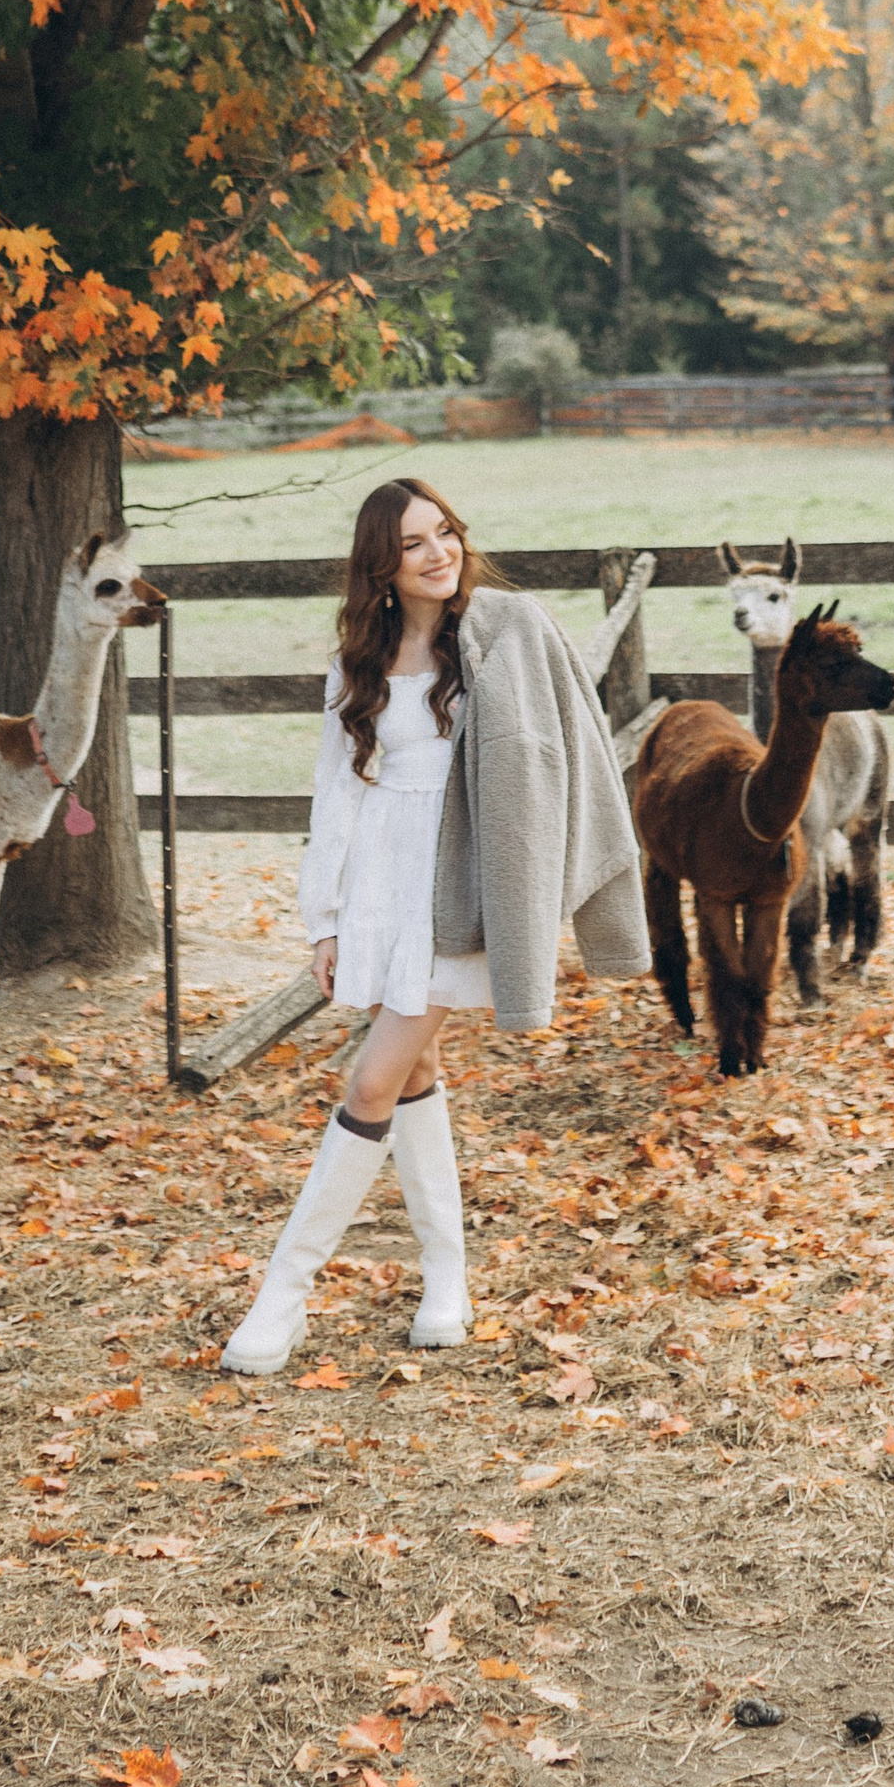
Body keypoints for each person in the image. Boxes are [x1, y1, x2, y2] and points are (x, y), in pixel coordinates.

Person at [219, 476, 648, 1377]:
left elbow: (565, 754)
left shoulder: (506, 635)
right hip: (379, 885)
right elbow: (335, 794)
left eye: (446, 532)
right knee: (414, 1067)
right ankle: (446, 1281)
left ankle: (282, 1296)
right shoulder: (357, 666)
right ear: (382, 563)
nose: (439, 553)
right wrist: (325, 920)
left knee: (368, 1081)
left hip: (459, 885)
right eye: (414, 543)